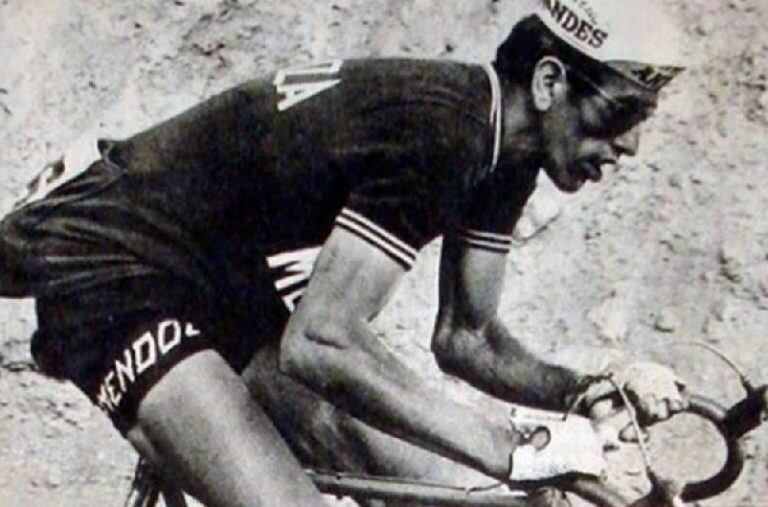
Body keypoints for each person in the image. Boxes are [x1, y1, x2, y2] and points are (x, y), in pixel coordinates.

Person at [0, 0, 689, 505]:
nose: (630, 146)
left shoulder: (509, 155)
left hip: (226, 283)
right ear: (548, 82)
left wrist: (586, 392)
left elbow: (467, 337)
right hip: (113, 269)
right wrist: (515, 447)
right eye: (621, 114)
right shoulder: (444, 132)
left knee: (455, 492)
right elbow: (321, 343)